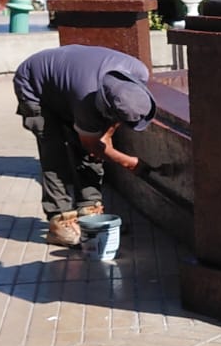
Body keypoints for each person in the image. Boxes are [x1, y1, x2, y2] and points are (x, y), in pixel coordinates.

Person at [13, 44, 156, 247]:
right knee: (55, 154)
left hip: (67, 82)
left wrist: (107, 134)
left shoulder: (138, 72)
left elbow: (114, 118)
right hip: (34, 85)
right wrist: (129, 163)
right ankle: (59, 220)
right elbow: (92, 146)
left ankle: (89, 210)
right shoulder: (84, 100)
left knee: (90, 151)